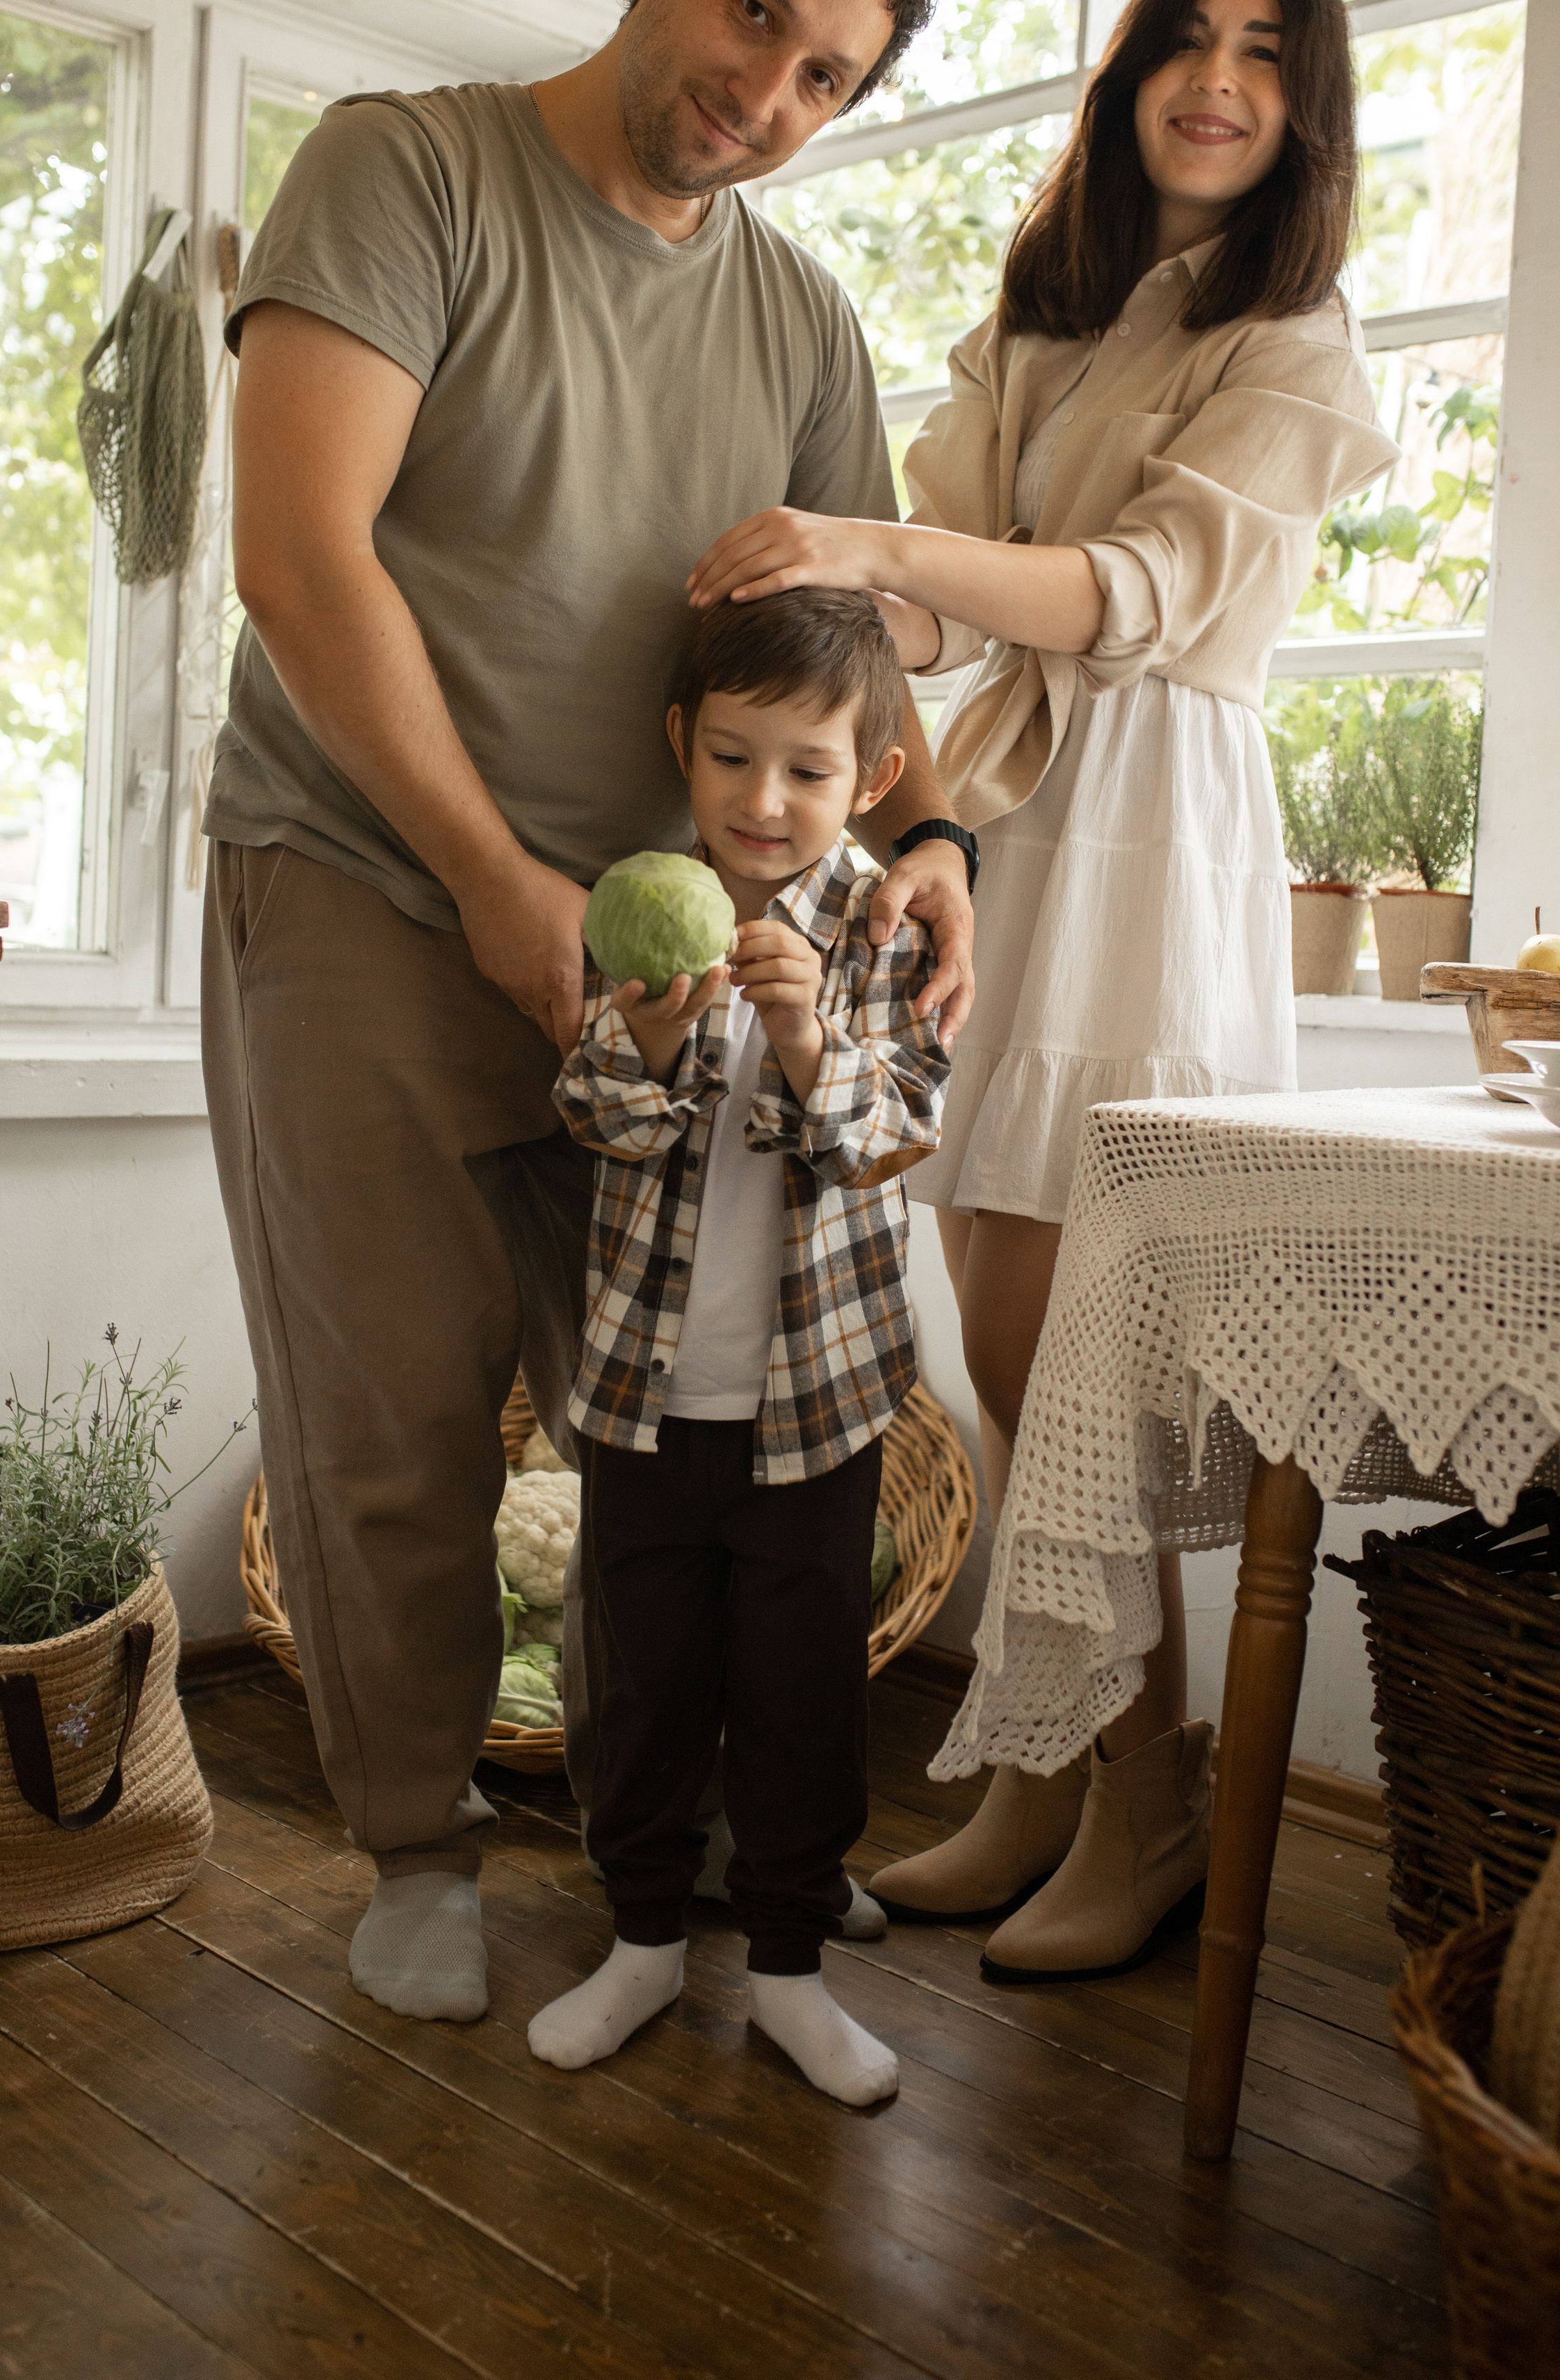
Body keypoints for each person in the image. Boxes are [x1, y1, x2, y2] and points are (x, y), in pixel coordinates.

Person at [205, 0, 977, 2029]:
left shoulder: (801, 318)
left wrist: (946, 851)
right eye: (754, 15)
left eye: (828, 76)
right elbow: (299, 558)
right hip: (363, 882)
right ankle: (416, 1841)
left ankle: (670, 1852)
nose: (770, 95)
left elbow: (859, 679)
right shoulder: (408, 172)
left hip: (664, 959)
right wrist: (488, 880)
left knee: (667, 1438)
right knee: (396, 1422)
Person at [685, 0, 1397, 1980]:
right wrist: (807, 583)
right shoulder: (1049, 309)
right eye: (1186, 39)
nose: (1218, 80)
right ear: (1130, 73)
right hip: (994, 826)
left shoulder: (1303, 335)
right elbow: (934, 599)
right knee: (995, 1332)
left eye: (1266, 54)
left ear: (1305, 104)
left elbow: (1141, 591)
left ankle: (1152, 1801)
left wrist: (887, 557)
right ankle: (1051, 1757)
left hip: (1153, 825)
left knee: (1096, 1336)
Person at [529, 590, 950, 2104]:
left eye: (807, 771)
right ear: (679, 751)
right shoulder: (637, 901)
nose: (762, 803)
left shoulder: (880, 933)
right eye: (729, 759)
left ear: (873, 779)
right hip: (645, 1399)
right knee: (639, 1686)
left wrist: (805, 1041)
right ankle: (642, 1940)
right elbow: (592, 1117)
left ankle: (785, 1968)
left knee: (797, 1693)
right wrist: (645, 1045)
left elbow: (896, 1131)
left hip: (813, 1412)